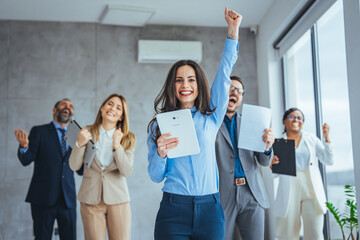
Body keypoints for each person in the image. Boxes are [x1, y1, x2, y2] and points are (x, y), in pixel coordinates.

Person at [147, 7, 242, 240]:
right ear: (173, 86)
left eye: (191, 79)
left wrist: (233, 32)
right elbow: (155, 175)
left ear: (198, 85)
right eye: (179, 80)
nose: (185, 85)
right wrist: (160, 153)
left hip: (209, 208)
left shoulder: (211, 116)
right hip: (172, 209)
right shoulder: (158, 126)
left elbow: (224, 73)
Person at [69, 93, 136, 240]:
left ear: (121, 117)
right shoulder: (85, 132)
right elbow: (74, 166)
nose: (113, 108)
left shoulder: (128, 138)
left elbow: (126, 171)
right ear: (102, 108)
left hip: (118, 199)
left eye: (119, 108)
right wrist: (79, 144)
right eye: (110, 104)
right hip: (90, 199)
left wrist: (117, 146)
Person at [215, 76, 275, 240]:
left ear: (241, 97)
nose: (233, 92)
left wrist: (268, 147)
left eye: (238, 90)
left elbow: (263, 161)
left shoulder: (253, 123)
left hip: (252, 193)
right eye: (229, 89)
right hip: (221, 195)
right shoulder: (210, 124)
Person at [14, 98, 83, 240]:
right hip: (42, 197)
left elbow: (80, 170)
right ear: (54, 110)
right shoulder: (39, 131)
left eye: (70, 106)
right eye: (64, 104)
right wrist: (24, 147)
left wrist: (88, 154)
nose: (67, 107)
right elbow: (26, 160)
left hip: (67, 199)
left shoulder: (76, 135)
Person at [272, 108, 334, 240]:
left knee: (315, 232)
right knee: (287, 232)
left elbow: (328, 160)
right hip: (289, 188)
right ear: (284, 121)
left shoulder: (311, 139)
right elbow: (273, 174)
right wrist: (271, 165)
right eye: (292, 117)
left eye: (300, 118)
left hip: (310, 187)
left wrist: (327, 138)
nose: (296, 120)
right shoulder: (278, 143)